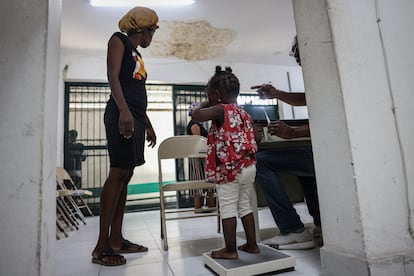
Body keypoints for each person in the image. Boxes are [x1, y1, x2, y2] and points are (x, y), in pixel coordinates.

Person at [91, 6, 158, 266]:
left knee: (126, 175)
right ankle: (101, 246)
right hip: (122, 115)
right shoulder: (118, 40)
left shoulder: (136, 53)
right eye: (152, 30)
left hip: (135, 117)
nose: (152, 36)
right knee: (117, 172)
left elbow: (135, 90)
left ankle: (116, 239)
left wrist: (147, 122)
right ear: (142, 29)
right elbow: (113, 76)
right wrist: (123, 112)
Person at [251, 35, 322, 249]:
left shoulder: (329, 69)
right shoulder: (321, 72)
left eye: (302, 57)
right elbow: (308, 97)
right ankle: (321, 222)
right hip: (320, 150)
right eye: (298, 58)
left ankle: (293, 229)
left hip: (332, 153)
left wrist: (293, 132)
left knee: (261, 160)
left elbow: (334, 118)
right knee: (302, 154)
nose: (300, 62)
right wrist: (276, 93)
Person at [191, 66, 261, 259]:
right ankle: (252, 245)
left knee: (228, 207)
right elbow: (257, 138)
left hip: (229, 169)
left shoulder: (220, 109)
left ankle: (230, 250)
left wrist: (208, 101)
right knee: (245, 206)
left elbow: (195, 115)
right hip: (249, 167)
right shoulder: (245, 114)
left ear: (216, 94)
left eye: (210, 95)